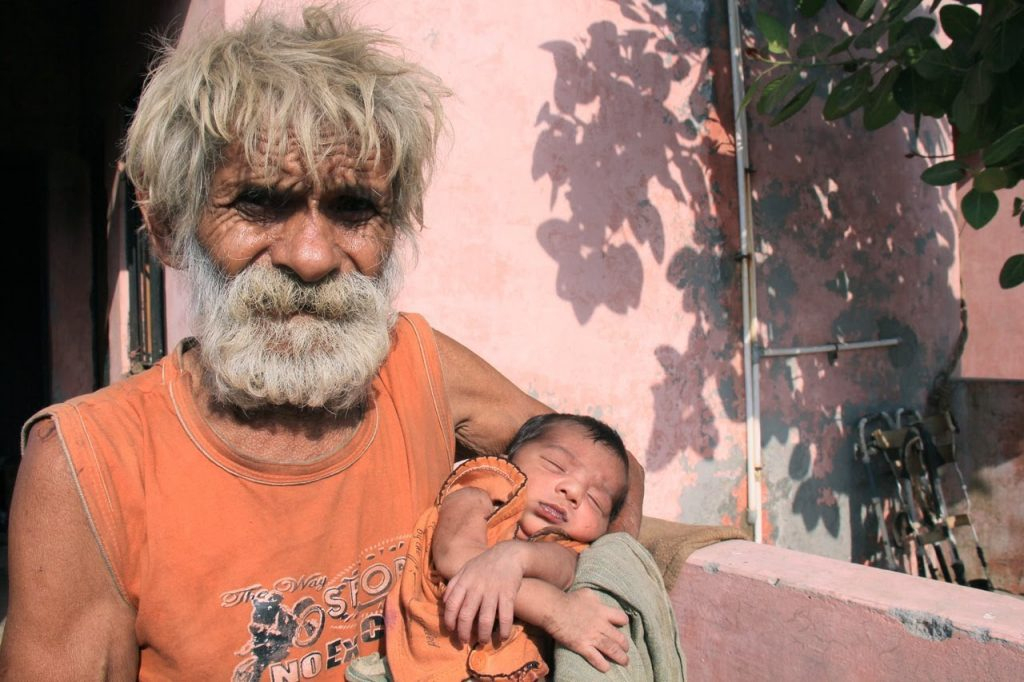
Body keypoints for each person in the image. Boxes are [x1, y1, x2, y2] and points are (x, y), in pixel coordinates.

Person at [0, 6, 643, 681]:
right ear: (165, 228)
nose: (310, 256)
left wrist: (581, 584)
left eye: (353, 209)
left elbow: (612, 471)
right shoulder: (89, 466)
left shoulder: (419, 369)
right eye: (259, 203)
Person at [350, 413, 632, 682]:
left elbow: (566, 570)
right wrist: (558, 610)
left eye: (596, 500)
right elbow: (456, 557)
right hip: (415, 668)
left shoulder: (567, 549)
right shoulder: (476, 495)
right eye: (556, 465)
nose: (573, 492)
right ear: (509, 460)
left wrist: (519, 556)